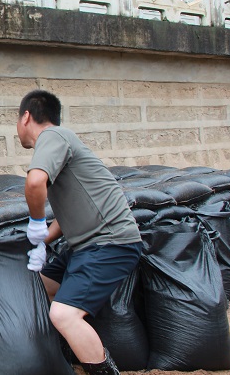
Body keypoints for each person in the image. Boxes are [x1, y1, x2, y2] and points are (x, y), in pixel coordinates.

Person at [16, 89, 142, 375]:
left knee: (63, 314)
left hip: (110, 243)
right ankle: (62, 362)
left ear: (26, 117)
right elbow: (75, 208)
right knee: (38, 288)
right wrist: (43, 239)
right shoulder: (61, 145)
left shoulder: (53, 136)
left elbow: (35, 183)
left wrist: (36, 225)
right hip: (84, 246)